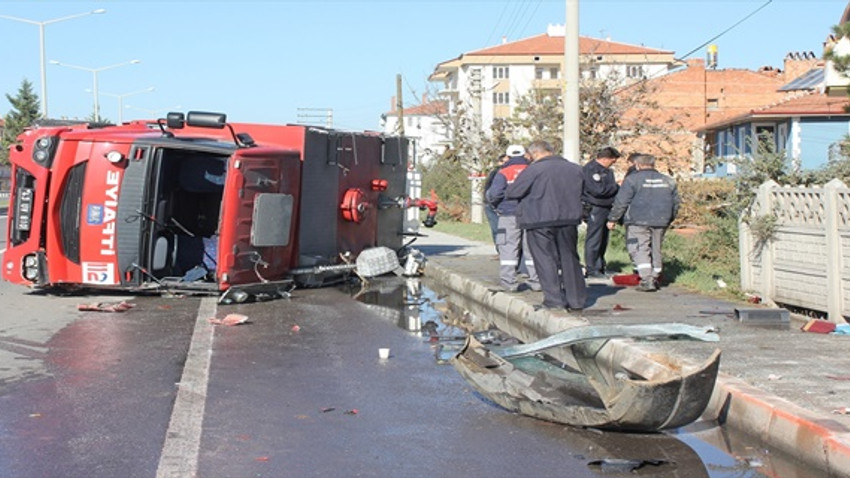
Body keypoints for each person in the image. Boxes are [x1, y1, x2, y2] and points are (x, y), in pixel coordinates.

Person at [505, 140, 586, 310]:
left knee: (545, 259)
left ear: (534, 153)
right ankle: (577, 300)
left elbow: (513, 192)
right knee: (570, 258)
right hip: (568, 219)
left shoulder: (534, 170)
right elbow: (587, 192)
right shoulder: (575, 168)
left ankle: (554, 300)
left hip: (538, 219)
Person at [606, 154, 680, 292]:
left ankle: (647, 279)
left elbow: (622, 201)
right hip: (661, 220)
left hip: (637, 220)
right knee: (656, 248)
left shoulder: (632, 180)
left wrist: (613, 218)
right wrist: (669, 218)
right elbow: (676, 203)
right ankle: (656, 275)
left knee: (639, 248)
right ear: (653, 164)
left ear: (637, 165)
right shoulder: (668, 181)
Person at [486, 145, 540, 292]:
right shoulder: (533, 171)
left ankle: (509, 282)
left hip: (509, 214)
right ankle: (536, 281)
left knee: (508, 247)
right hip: (532, 215)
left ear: (508, 157)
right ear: (525, 155)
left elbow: (494, 194)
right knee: (532, 248)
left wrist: (498, 207)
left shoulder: (503, 172)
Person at [582, 146, 621, 278]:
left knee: (603, 239)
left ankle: (600, 266)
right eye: (612, 161)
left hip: (606, 207)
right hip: (595, 207)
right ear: (604, 159)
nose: (612, 164)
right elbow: (598, 190)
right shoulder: (591, 170)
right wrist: (615, 187)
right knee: (594, 238)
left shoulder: (607, 171)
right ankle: (592, 269)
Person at [484, 154, 509, 253]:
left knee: (504, 230)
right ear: (499, 162)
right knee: (497, 229)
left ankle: (505, 251)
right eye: (504, 161)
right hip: (492, 205)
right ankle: (500, 250)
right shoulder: (496, 173)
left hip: (504, 205)